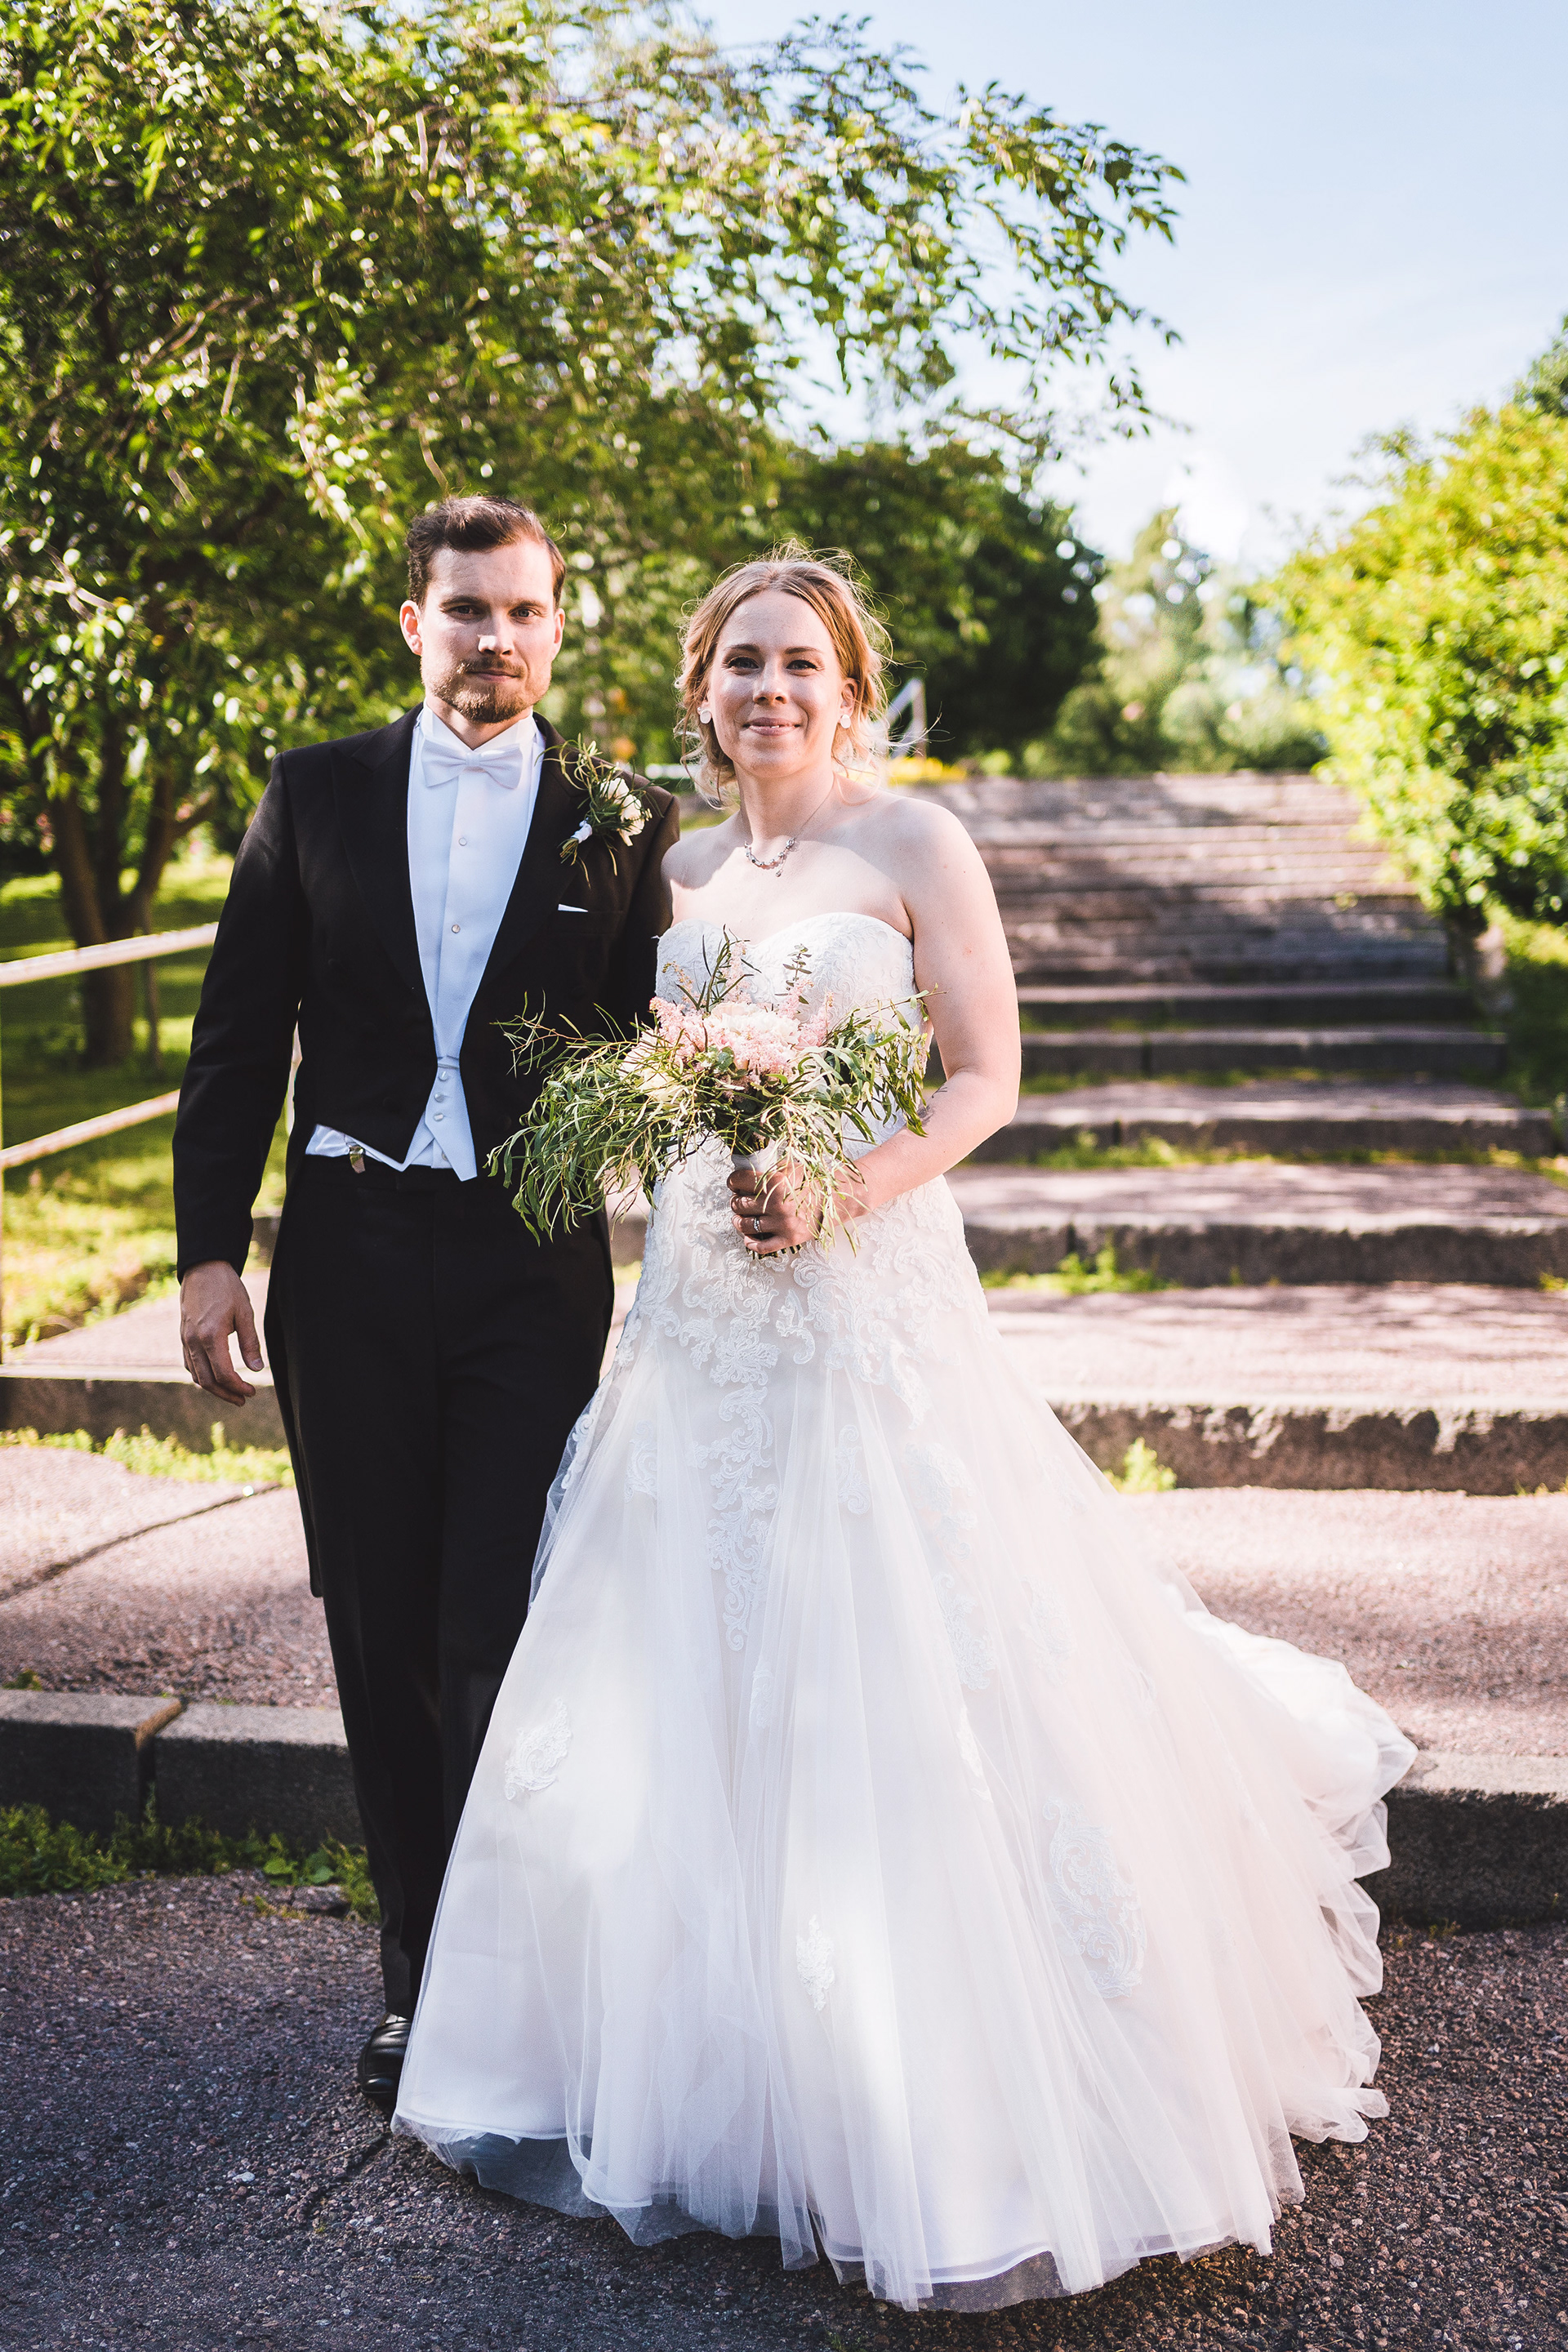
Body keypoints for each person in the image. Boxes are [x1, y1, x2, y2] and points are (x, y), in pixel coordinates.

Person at [392, 550, 1414, 2312]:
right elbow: (640, 1071)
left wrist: (841, 1188)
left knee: (908, 1634)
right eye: (742, 663)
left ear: (849, 687)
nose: (771, 690)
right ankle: (704, 2068)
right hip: (701, 1310)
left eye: (803, 662)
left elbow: (983, 1078)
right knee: (685, 1647)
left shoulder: (919, 845)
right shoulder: (673, 870)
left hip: (865, 1289)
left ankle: (948, 2092)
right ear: (701, 689)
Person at [172, 494, 678, 2112]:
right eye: (467, 610)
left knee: (497, 1619)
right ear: (415, 622)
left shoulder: (621, 819)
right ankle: (421, 1984)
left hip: (533, 1264)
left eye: (525, 612)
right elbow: (238, 1036)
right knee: (380, 1622)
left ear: (558, 624)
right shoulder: (312, 792)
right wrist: (206, 1252)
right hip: (350, 1260)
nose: (496, 640)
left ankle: (520, 1975)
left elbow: (658, 1043)